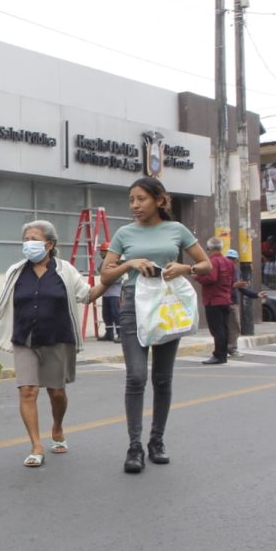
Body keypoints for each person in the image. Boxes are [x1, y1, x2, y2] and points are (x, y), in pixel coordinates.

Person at [93, 177, 211, 474]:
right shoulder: (123, 233)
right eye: (131, 199)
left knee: (162, 377)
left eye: (141, 199)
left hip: (165, 305)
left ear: (160, 200)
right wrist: (129, 265)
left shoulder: (176, 230)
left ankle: (156, 440)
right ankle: (134, 446)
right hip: (133, 305)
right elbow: (106, 276)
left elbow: (206, 264)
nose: (135, 205)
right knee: (135, 376)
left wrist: (186, 267)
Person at [0, 221, 91, 468]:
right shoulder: (16, 271)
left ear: (50, 244)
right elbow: (1, 306)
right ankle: (36, 445)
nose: (27, 244)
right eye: (25, 240)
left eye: (33, 239)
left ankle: (57, 426)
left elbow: (86, 294)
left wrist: (113, 273)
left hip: (57, 338)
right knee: (27, 391)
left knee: (57, 392)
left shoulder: (65, 270)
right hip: (24, 338)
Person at [196, 237, 235, 365]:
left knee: (217, 330)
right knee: (224, 328)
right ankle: (223, 354)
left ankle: (219, 355)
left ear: (208, 249)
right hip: (225, 298)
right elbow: (231, 280)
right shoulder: (229, 262)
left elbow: (211, 278)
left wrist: (197, 277)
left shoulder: (212, 261)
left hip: (213, 300)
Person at [225, 250, 266, 358]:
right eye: (229, 259)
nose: (231, 261)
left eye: (233, 259)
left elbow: (242, 288)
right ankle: (225, 349)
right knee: (223, 327)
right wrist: (234, 285)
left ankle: (231, 348)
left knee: (234, 327)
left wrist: (256, 294)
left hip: (232, 302)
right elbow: (219, 286)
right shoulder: (222, 270)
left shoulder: (236, 272)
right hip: (221, 302)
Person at [97, 242, 123, 342]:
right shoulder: (103, 263)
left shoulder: (115, 263)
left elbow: (118, 278)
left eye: (103, 251)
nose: (101, 254)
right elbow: (100, 271)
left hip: (114, 293)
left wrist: (108, 279)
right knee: (106, 314)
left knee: (116, 313)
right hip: (106, 293)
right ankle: (109, 333)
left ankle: (120, 334)